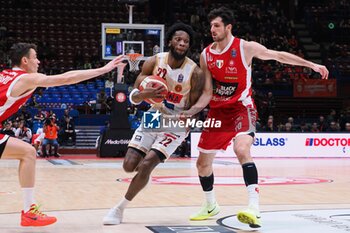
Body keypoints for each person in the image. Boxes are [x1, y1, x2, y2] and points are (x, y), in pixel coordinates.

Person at [189, 7, 329, 228]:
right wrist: (189, 112)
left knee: (242, 149)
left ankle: (253, 207)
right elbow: (207, 92)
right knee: (202, 164)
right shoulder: (206, 54)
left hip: (241, 108)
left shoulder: (245, 48)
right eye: (210, 26)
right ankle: (210, 205)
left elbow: (279, 56)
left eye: (216, 25)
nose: (212, 30)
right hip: (217, 112)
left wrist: (311, 65)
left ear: (228, 27)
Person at [0, 42, 124, 227]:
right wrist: (104, 69)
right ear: (25, 60)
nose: (39, 62)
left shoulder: (4, 74)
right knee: (28, 153)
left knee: (27, 152)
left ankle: (29, 211)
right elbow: (67, 78)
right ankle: (28, 213)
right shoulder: (25, 79)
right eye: (35, 58)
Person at [103, 22, 208, 225]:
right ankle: (143, 177)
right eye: (178, 39)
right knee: (129, 166)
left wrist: (189, 117)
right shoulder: (153, 61)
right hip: (154, 115)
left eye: (186, 41)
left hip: (176, 122)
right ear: (170, 41)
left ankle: (119, 209)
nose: (182, 43)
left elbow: (196, 108)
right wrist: (145, 94)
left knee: (148, 163)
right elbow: (134, 97)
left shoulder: (194, 72)